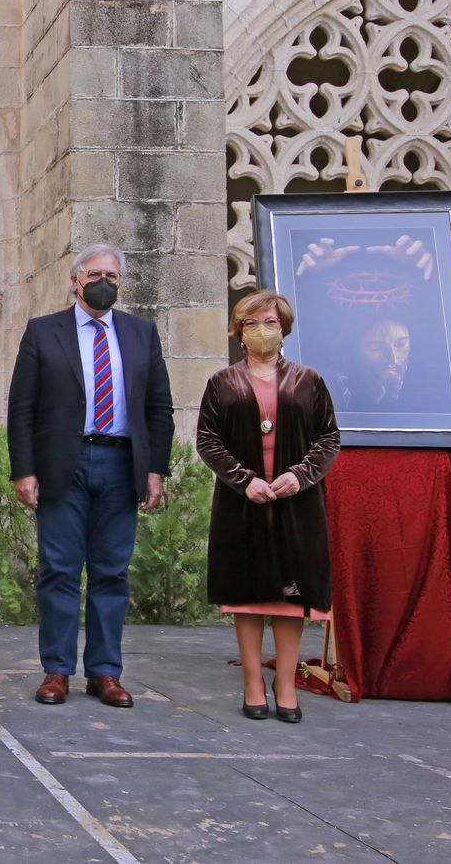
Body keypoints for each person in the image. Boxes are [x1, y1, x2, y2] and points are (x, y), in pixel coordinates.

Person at [6, 243, 172, 709]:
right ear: (75, 279)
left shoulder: (141, 333)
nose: (105, 282)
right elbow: (22, 408)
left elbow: (159, 407)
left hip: (122, 464)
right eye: (96, 274)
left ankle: (105, 672)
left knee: (111, 572)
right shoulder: (43, 332)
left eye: (114, 276)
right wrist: (25, 470)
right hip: (65, 463)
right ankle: (56, 670)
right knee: (58, 570)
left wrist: (155, 468)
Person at [195, 290, 340, 723]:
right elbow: (207, 440)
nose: (262, 330)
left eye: (270, 322)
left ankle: (286, 684)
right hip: (243, 505)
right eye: (251, 323)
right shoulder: (222, 382)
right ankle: (253, 682)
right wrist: (244, 481)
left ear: (285, 329)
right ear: (240, 332)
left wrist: (298, 476)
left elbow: (328, 437)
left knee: (291, 599)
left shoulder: (309, 380)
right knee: (248, 596)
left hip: (296, 505)